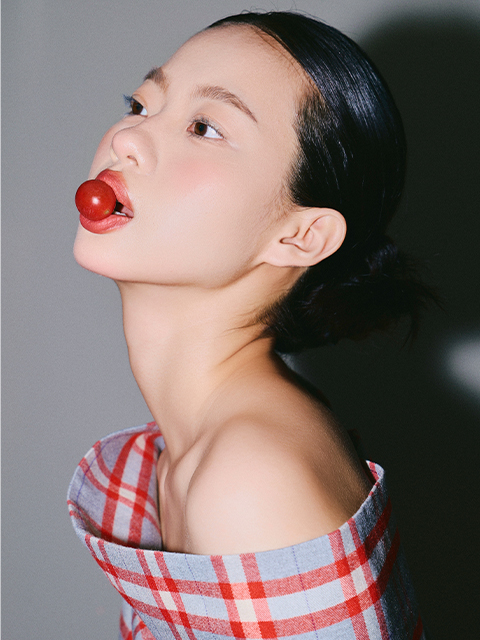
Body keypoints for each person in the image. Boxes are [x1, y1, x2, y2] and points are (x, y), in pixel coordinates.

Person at [68, 11, 428, 639]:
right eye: (141, 104)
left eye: (204, 127)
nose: (128, 137)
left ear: (301, 235)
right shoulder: (197, 451)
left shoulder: (249, 476)